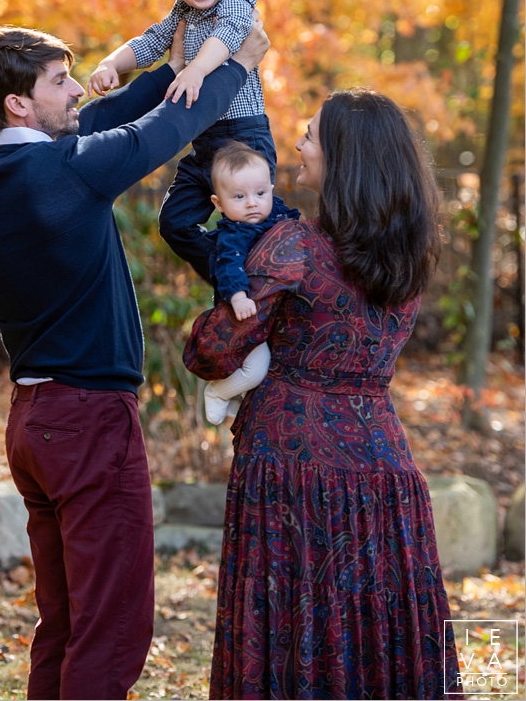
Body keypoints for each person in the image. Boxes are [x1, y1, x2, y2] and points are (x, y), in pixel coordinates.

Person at [0, 18, 269, 701]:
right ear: (18, 103)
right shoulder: (63, 171)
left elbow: (101, 119)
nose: (75, 90)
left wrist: (166, 70)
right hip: (91, 421)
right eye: (59, 82)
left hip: (35, 424)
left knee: (65, 624)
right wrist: (236, 65)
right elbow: (156, 133)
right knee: (111, 629)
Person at [183, 89, 463, 700]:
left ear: (342, 155)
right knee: (376, 633)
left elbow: (212, 350)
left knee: (293, 626)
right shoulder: (408, 247)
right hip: (384, 466)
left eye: (310, 135)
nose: (299, 145)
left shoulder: (295, 246)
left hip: (291, 466)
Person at [87, 0, 279, 282]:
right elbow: (151, 41)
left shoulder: (238, 1)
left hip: (243, 137)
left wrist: (196, 70)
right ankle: (231, 275)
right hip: (204, 141)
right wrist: (111, 62)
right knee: (174, 223)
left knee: (254, 221)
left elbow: (228, 34)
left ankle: (268, 282)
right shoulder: (182, 14)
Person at [203, 140, 299, 425]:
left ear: (271, 189)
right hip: (243, 314)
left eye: (259, 193)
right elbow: (229, 268)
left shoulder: (277, 216)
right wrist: (238, 298)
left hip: (268, 313)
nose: (252, 203)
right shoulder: (233, 236)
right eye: (239, 197)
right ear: (219, 204)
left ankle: (236, 397)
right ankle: (217, 393)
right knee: (256, 369)